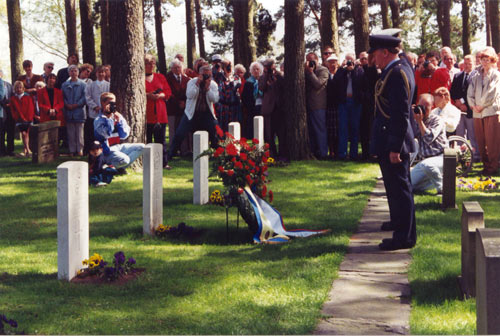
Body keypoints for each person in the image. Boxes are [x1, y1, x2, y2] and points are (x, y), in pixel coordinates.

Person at [369, 34, 417, 251]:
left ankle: (404, 237)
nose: (373, 58)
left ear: (385, 52)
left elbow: (400, 114)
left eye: (375, 53)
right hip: (389, 137)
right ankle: (400, 226)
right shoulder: (396, 69)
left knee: (400, 189)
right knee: (395, 187)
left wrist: (395, 147)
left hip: (394, 140)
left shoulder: (397, 73)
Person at [167, 65, 220, 160]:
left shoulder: (213, 84)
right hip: (191, 113)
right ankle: (171, 154)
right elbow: (190, 95)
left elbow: (215, 99)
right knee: (180, 133)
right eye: (205, 75)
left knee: (215, 132)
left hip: (207, 114)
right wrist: (198, 83)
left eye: (209, 75)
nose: (207, 77)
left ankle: (218, 154)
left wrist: (208, 88)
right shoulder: (191, 82)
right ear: (200, 74)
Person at [467, 47, 500, 176]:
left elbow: (492, 92)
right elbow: (470, 92)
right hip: (477, 112)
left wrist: (481, 105)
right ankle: (485, 166)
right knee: (480, 141)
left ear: (492, 60)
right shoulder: (476, 75)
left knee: (492, 141)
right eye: (482, 59)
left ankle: (493, 167)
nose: (485, 62)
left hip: (490, 111)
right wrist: (473, 105)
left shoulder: (496, 75)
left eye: (487, 59)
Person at [94, 92, 144, 170]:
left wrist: (119, 121)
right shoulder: (98, 120)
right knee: (125, 160)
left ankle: (118, 167)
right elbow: (106, 134)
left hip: (119, 147)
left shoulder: (117, 116)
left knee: (142, 147)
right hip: (106, 150)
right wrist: (109, 120)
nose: (112, 106)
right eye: (109, 103)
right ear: (102, 103)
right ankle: (108, 167)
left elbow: (124, 135)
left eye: (113, 103)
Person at [411, 94, 449, 193]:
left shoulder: (437, 120)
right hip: (425, 160)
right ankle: (432, 182)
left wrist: (420, 122)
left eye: (426, 106)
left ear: (432, 107)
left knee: (427, 165)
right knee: (409, 185)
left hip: (441, 157)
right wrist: (409, 116)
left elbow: (429, 138)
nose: (423, 109)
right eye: (421, 106)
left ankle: (442, 188)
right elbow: (409, 136)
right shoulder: (415, 119)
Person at [333, 52, 364, 160]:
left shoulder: (359, 71)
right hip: (344, 102)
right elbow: (335, 82)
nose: (349, 63)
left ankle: (353, 154)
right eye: (347, 60)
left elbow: (360, 83)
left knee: (354, 129)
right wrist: (342, 69)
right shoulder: (341, 72)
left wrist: (353, 70)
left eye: (351, 60)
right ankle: (342, 154)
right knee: (343, 129)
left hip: (355, 103)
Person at [145, 54, 172, 169]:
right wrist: (148, 95)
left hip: (160, 112)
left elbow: (168, 92)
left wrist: (161, 95)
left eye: (153, 63)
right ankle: (148, 162)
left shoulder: (160, 77)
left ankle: (163, 162)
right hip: (147, 112)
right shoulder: (139, 78)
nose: (151, 66)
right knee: (148, 139)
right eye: (148, 63)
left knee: (160, 140)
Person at [450, 54, 479, 161]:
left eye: (469, 63)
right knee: (460, 134)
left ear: (474, 64)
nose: (467, 66)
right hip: (459, 111)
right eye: (465, 63)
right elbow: (453, 92)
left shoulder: (477, 76)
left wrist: (466, 105)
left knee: (473, 135)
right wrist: (459, 103)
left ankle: (476, 156)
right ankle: (461, 156)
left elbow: (476, 94)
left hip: (471, 111)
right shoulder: (457, 76)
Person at [259, 58, 285, 158]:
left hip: (279, 108)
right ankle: (272, 155)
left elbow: (283, 85)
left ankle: (282, 155)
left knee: (281, 134)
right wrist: (266, 75)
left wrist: (276, 74)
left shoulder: (279, 75)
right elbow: (261, 88)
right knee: (269, 134)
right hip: (268, 109)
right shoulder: (262, 77)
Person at [166, 59, 191, 157]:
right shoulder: (167, 78)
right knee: (173, 130)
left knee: (183, 129)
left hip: (184, 108)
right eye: (175, 67)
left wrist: (184, 102)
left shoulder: (187, 79)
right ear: (171, 69)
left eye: (179, 67)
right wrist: (178, 102)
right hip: (172, 108)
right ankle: (173, 151)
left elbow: (189, 92)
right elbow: (168, 92)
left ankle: (185, 150)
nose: (177, 69)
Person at [61, 64, 87, 156]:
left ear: (78, 72)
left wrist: (77, 104)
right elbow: (62, 97)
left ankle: (80, 150)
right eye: (71, 71)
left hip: (79, 112)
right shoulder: (64, 85)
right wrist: (67, 105)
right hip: (68, 112)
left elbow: (85, 97)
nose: (73, 72)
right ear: (69, 73)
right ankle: (72, 150)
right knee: (70, 133)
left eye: (75, 70)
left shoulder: (83, 84)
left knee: (80, 133)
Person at [84, 65, 110, 155]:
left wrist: (104, 107)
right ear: (96, 74)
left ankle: (103, 150)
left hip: (104, 112)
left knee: (103, 132)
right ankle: (92, 151)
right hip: (93, 112)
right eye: (99, 72)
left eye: (103, 72)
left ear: (105, 73)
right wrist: (94, 106)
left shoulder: (108, 85)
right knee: (92, 132)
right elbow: (87, 97)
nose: (101, 74)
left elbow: (110, 97)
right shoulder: (91, 85)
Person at [215, 59, 242, 133]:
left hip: (234, 106)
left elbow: (235, 88)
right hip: (223, 106)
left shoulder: (236, 78)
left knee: (234, 127)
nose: (229, 68)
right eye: (227, 67)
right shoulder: (219, 77)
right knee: (222, 127)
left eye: (230, 66)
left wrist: (229, 79)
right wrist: (219, 67)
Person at [10, 81, 35, 157]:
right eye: (17, 88)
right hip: (19, 119)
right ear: (15, 89)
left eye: (20, 87)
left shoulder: (27, 97)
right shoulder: (13, 99)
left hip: (28, 119)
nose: (18, 89)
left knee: (27, 134)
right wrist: (16, 117)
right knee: (24, 134)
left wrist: (29, 118)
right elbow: (12, 109)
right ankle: (28, 150)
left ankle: (25, 150)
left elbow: (30, 108)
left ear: (23, 89)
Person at [241, 61, 264, 139]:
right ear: (251, 71)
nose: (256, 71)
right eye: (254, 69)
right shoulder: (248, 82)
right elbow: (244, 97)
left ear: (260, 70)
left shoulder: (263, 80)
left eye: (257, 69)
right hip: (252, 107)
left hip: (263, 105)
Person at [0, 70, 14, 156]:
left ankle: (10, 150)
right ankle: (2, 150)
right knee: (1, 132)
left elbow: (12, 95)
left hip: (9, 110)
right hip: (1, 109)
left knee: (10, 131)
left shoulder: (8, 85)